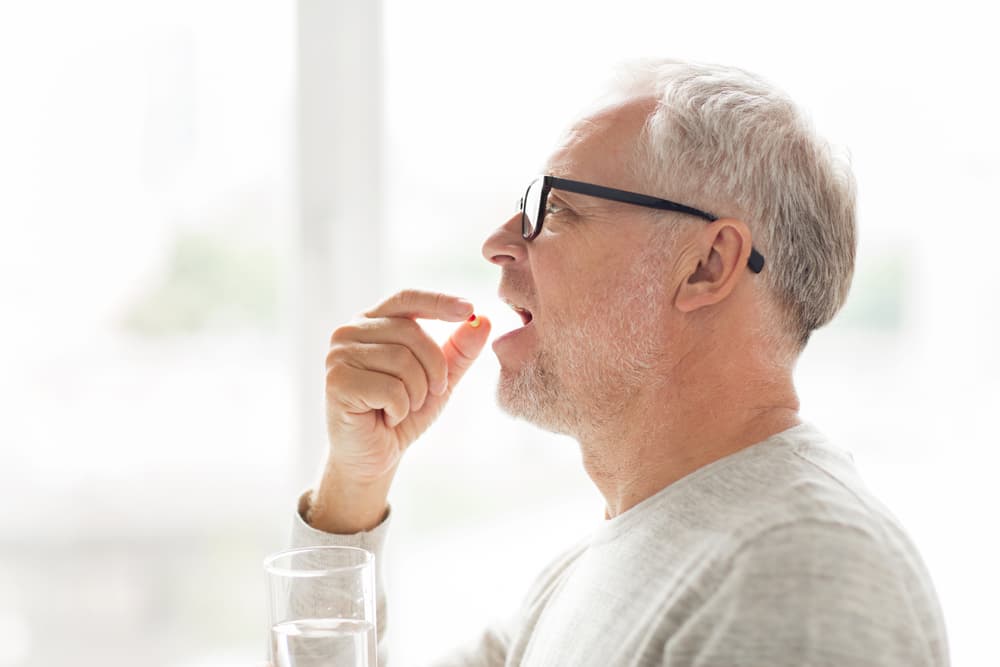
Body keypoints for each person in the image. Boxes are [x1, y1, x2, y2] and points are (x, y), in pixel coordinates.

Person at [289, 59, 949, 666]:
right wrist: (353, 482)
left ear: (706, 264)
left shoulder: (801, 569)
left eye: (557, 206)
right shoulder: (597, 568)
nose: (497, 243)